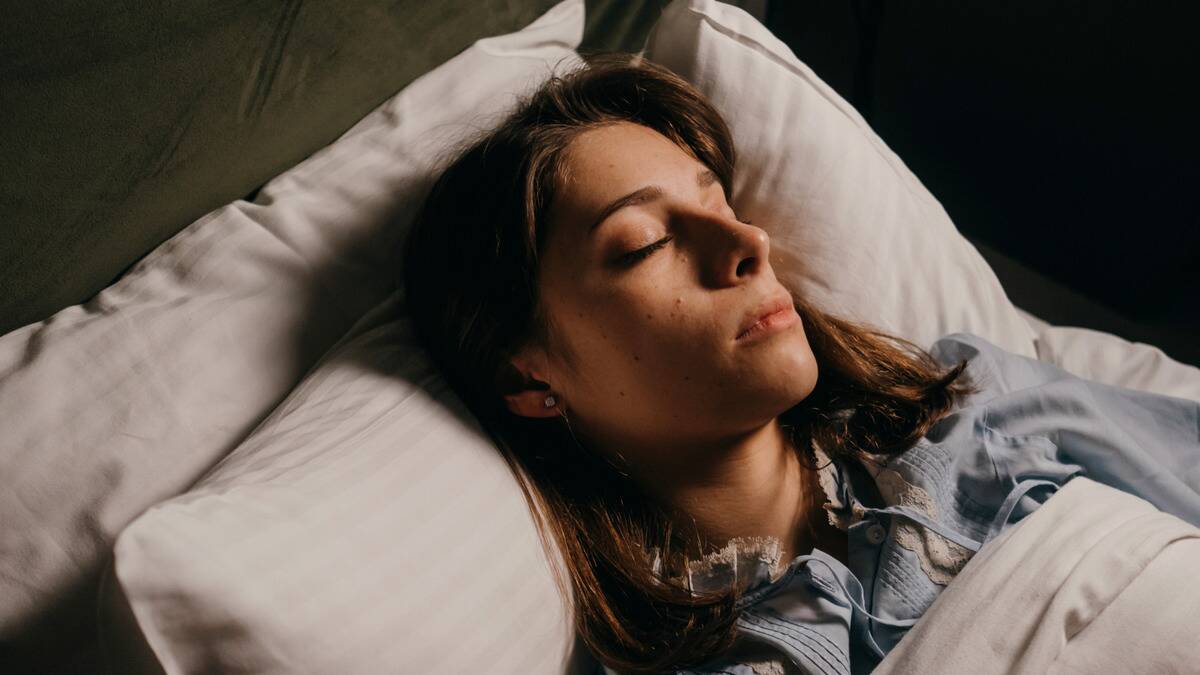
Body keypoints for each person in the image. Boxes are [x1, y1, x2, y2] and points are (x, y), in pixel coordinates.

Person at [398, 54, 1200, 675]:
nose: (749, 244)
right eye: (646, 243)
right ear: (533, 380)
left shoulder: (978, 403)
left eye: (719, 204)